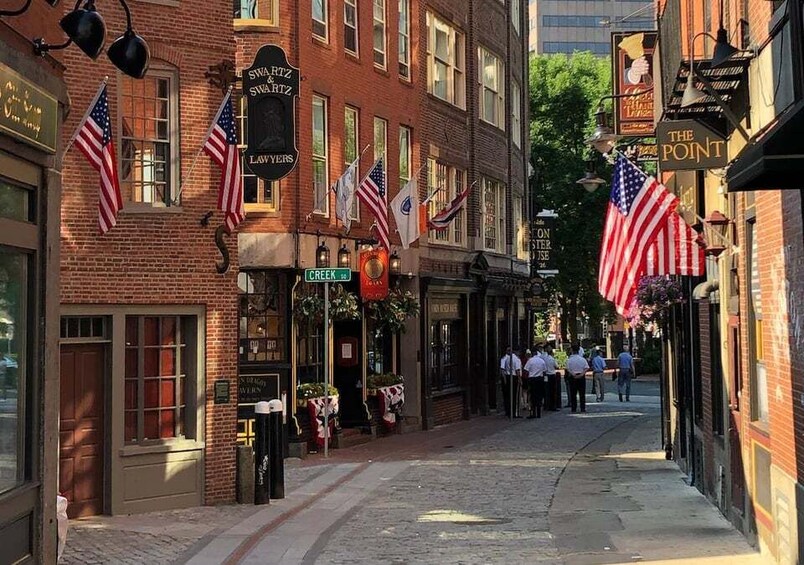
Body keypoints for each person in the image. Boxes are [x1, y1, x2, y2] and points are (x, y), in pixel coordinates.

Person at [523, 347, 547, 419]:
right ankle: (539, 412)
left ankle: (533, 412)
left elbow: (526, 370)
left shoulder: (530, 361)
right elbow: (544, 371)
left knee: (532, 396)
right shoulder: (541, 361)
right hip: (540, 379)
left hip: (532, 379)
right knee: (539, 395)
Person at [500, 346, 522, 417]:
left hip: (508, 377)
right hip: (514, 377)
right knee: (515, 396)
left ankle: (509, 411)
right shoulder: (516, 359)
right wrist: (519, 379)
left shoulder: (507, 359)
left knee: (509, 395)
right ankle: (514, 413)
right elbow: (517, 370)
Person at [566, 346, 590, 413]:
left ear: (572, 351)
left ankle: (574, 408)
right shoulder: (582, 359)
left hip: (573, 377)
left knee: (573, 393)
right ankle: (582, 408)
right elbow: (586, 367)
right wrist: (582, 374)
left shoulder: (569, 360)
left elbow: (568, 368)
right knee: (582, 393)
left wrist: (573, 374)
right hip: (581, 376)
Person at [543, 346, 559, 411]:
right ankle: (553, 406)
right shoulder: (552, 359)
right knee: (553, 391)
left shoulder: (545, 359)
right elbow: (557, 367)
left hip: (546, 375)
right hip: (552, 375)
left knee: (546, 391)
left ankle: (546, 405)